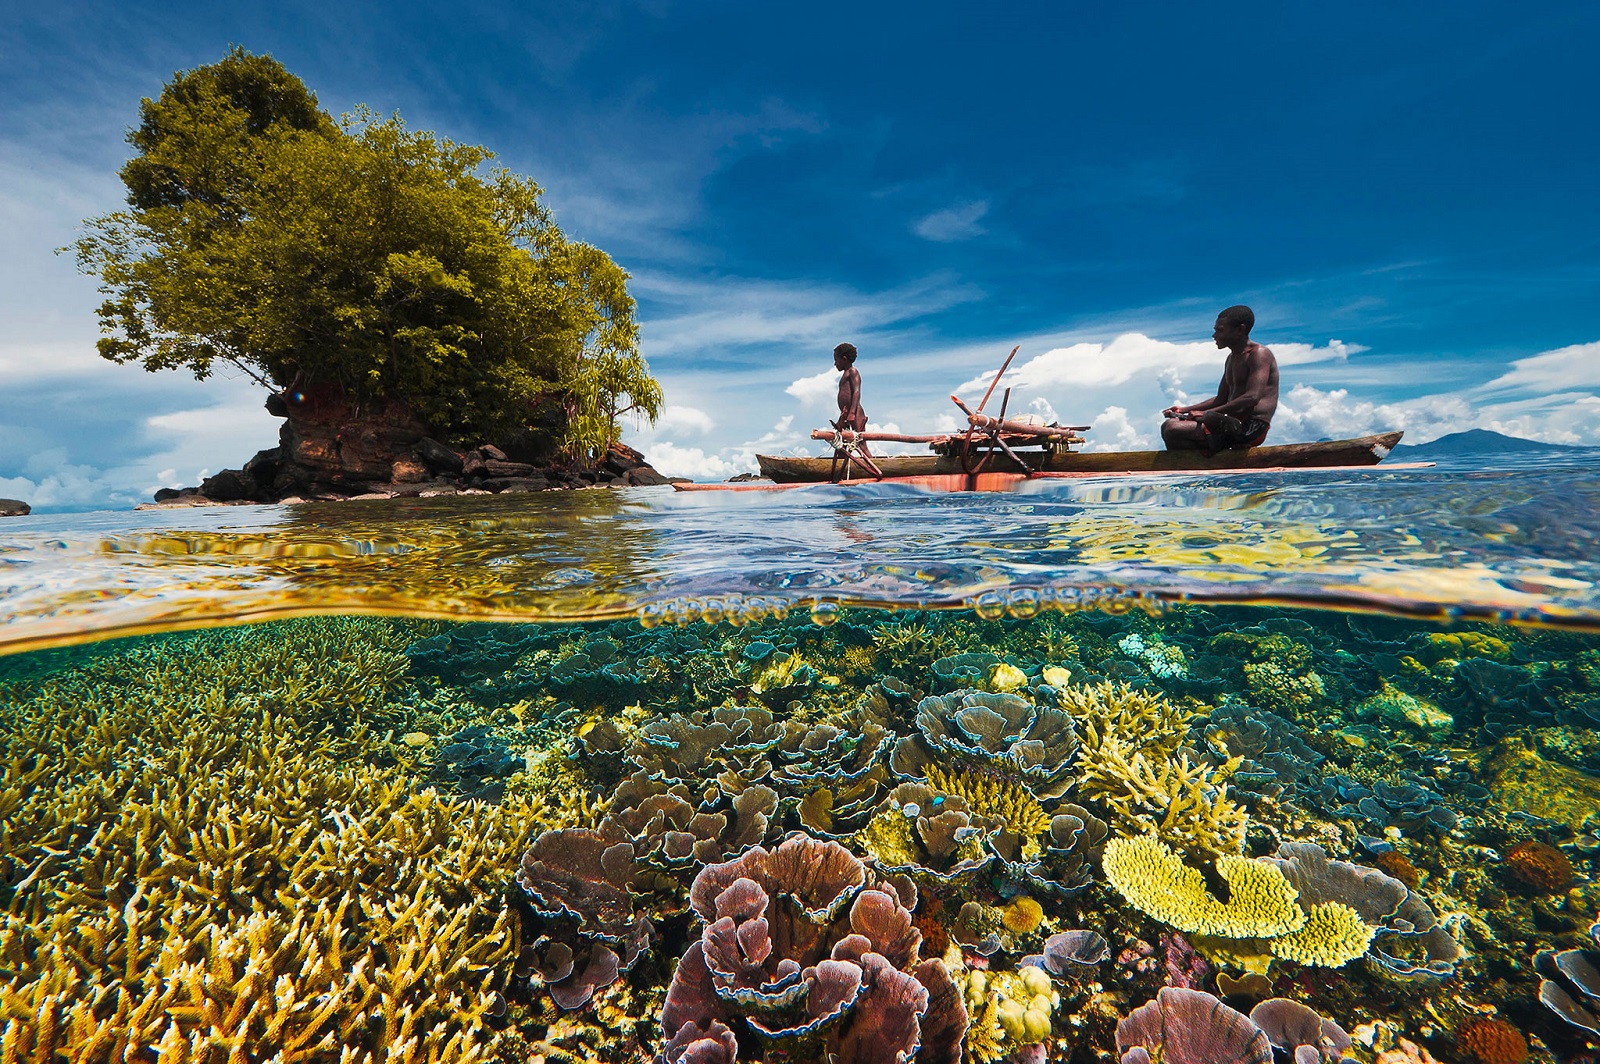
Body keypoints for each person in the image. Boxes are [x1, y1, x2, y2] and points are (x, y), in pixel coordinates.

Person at [1161, 305, 1279, 453]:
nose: (1214, 335)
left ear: (1240, 330)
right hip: (1231, 423)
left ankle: (1215, 450)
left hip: (1251, 427)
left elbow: (1252, 397)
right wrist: (1184, 410)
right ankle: (1209, 461)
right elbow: (1221, 399)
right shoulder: (1231, 359)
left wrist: (1207, 414)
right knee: (1169, 425)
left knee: (1173, 428)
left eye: (1220, 330)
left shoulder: (1259, 354)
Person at [833, 342, 870, 456]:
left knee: (861, 443)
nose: (835, 364)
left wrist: (852, 413)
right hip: (845, 413)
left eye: (836, 360)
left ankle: (875, 465)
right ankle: (839, 468)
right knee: (842, 442)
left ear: (844, 359)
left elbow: (856, 392)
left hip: (855, 413)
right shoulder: (845, 374)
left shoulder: (852, 372)